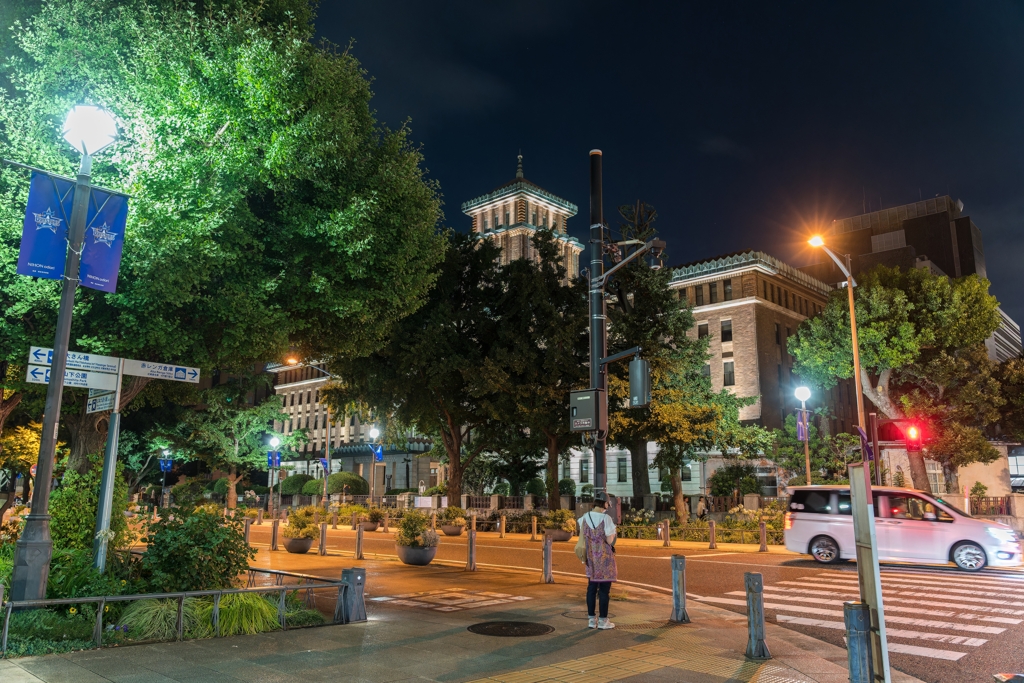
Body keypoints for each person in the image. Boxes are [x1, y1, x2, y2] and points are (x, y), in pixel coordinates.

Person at [579, 492, 618, 629]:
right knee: (603, 590)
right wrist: (614, 534)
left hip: (591, 558)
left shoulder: (585, 517)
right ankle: (603, 621)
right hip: (604, 558)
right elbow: (609, 540)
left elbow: (583, 536)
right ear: (605, 504)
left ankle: (591, 620)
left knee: (591, 588)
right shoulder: (606, 518)